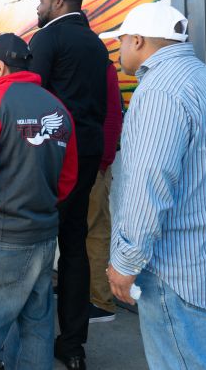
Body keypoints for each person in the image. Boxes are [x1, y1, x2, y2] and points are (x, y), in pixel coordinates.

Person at [99, 3, 206, 369]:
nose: (119, 52)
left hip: (174, 264)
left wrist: (126, 260)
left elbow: (150, 183)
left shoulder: (160, 91)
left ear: (138, 40)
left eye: (121, 42)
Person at [0, 33, 77, 369]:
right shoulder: (57, 106)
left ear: (0, 65)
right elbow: (67, 179)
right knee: (36, 329)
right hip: (42, 235)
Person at [29, 0, 108, 369]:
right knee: (74, 246)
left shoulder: (46, 39)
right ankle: (73, 346)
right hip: (88, 154)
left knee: (35, 246)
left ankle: (34, 341)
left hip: (52, 156)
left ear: (59, 1)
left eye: (41, 0)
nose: (37, 7)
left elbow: (31, 98)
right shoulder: (95, 43)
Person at [86, 61, 122, 323]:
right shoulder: (98, 64)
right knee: (85, 229)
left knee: (96, 229)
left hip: (95, 163)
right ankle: (90, 293)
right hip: (94, 161)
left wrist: (103, 161)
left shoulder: (101, 66)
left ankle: (101, 301)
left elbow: (112, 115)